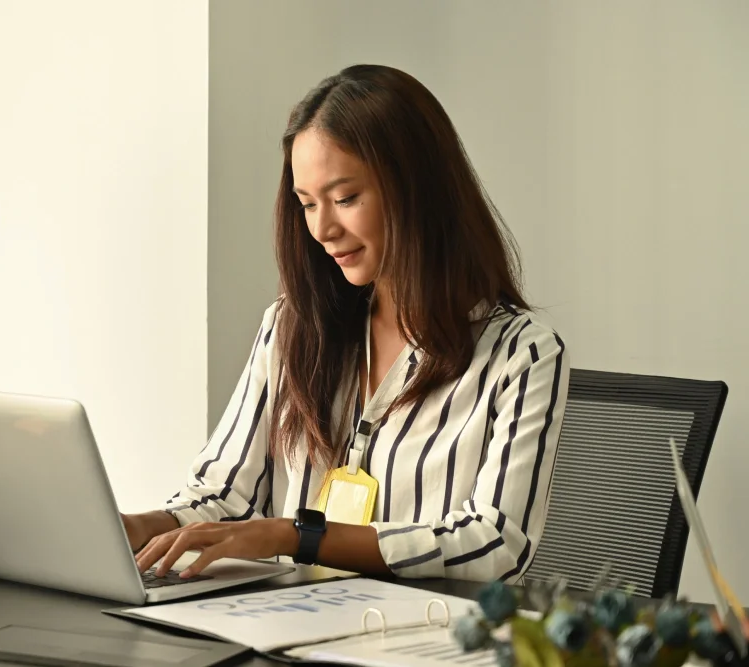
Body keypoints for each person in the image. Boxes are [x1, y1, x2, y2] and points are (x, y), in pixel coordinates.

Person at [122, 64, 570, 584]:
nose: (322, 229)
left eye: (345, 198)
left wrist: (298, 535)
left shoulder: (523, 354)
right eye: (307, 204)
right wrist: (131, 527)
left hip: (421, 642)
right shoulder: (293, 326)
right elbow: (226, 497)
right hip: (291, 627)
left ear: (417, 189)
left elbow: (494, 545)